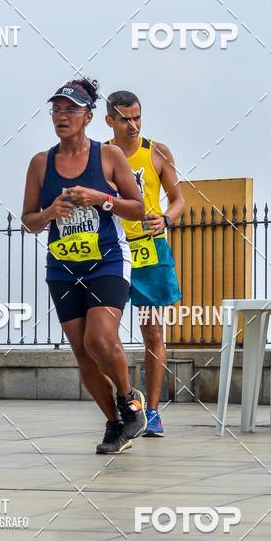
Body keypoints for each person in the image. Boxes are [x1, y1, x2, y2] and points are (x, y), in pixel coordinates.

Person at [22, 77, 147, 455]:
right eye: (57, 110)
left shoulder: (108, 157)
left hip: (106, 261)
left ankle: (128, 398)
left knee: (98, 339)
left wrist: (101, 198)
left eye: (70, 110)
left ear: (88, 117)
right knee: (82, 352)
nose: (62, 116)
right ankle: (114, 423)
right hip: (63, 267)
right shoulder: (41, 163)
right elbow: (28, 220)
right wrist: (50, 212)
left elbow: (139, 207)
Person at [106, 90, 184, 437]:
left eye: (137, 117)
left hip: (151, 252)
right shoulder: (101, 155)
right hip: (112, 251)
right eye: (124, 118)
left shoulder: (158, 151)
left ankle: (152, 411)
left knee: (152, 331)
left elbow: (179, 200)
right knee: (103, 334)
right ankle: (126, 402)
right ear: (110, 119)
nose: (133, 124)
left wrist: (166, 219)